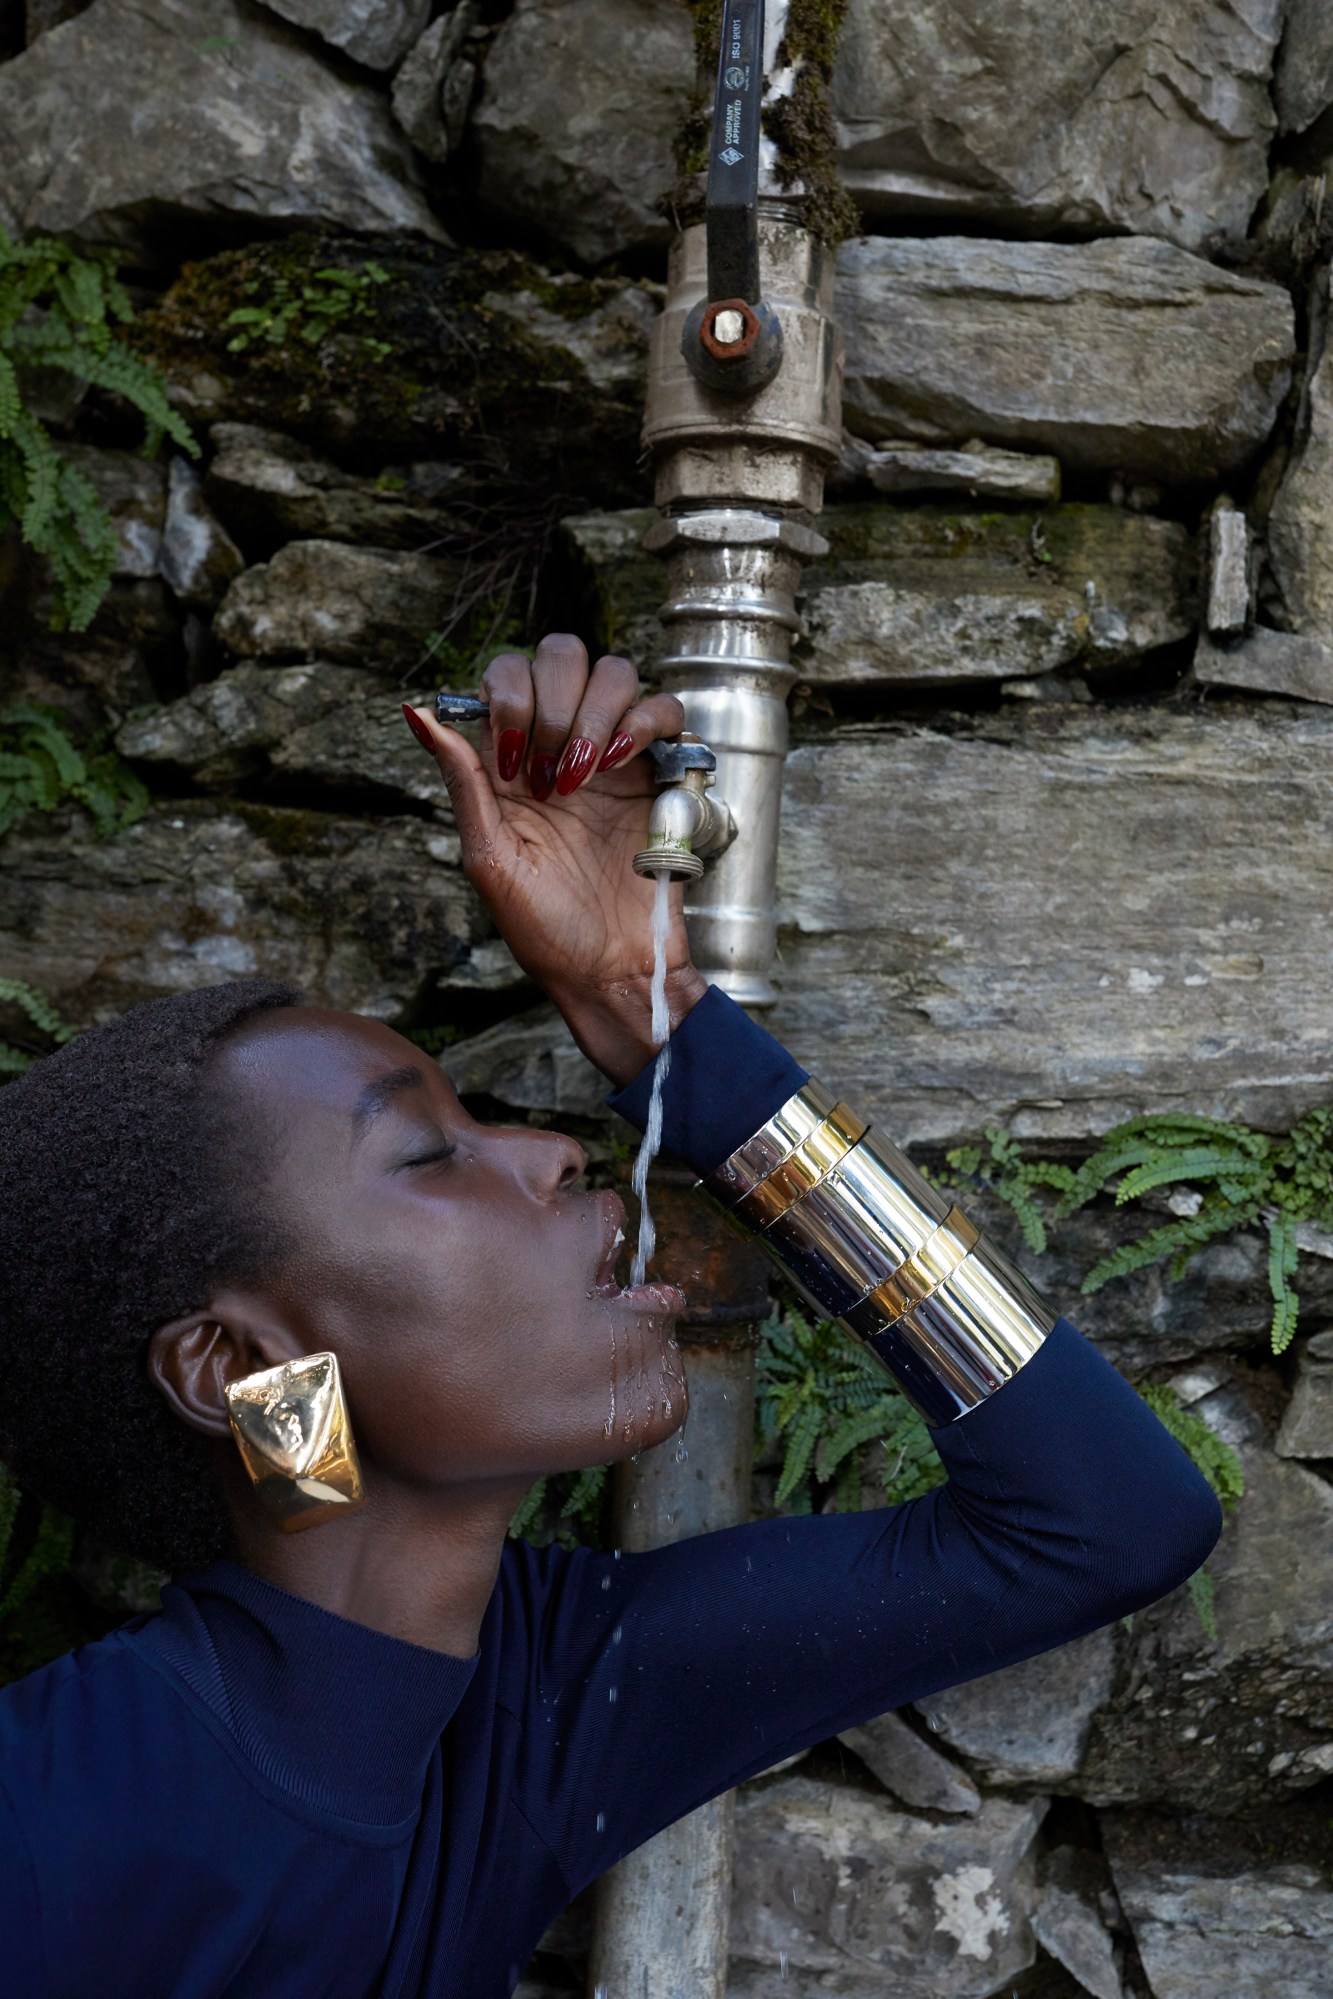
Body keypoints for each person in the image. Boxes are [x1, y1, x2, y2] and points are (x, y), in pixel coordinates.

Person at [0, 635, 1221, 1999]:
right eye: (425, 1152)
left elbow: (1104, 1522)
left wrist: (650, 1016)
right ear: (241, 1364)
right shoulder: (48, 1829)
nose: (546, 1148)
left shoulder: (538, 1698)